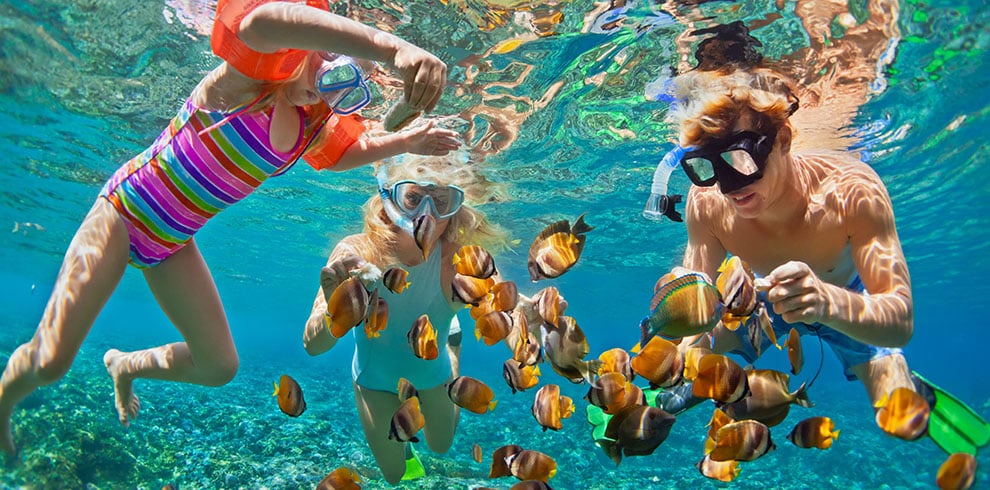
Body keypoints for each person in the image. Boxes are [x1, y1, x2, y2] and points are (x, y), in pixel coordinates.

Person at [0, 0, 463, 456]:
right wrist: (392, 49)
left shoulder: (309, 124)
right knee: (51, 361)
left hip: (172, 243)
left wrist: (408, 140)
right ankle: (2, 403)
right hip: (123, 213)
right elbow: (263, 21)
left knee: (219, 366)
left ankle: (124, 365)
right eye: (326, 64)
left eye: (342, 88)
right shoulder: (246, 82)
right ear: (311, 41)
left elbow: (343, 155)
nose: (324, 90)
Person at [656, 60, 987, 453]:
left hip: (846, 296)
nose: (728, 186)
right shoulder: (707, 203)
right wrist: (684, 351)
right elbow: (698, 308)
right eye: (705, 167)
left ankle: (909, 387)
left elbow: (900, 319)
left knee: (895, 413)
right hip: (758, 300)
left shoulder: (852, 190)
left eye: (741, 159)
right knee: (690, 357)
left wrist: (826, 302)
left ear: (782, 140)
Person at [302, 151, 510, 484]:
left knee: (440, 446)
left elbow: (502, 307)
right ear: (389, 197)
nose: (425, 214)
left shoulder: (458, 258)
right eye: (412, 198)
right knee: (395, 475)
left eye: (441, 201)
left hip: (434, 371)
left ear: (455, 210)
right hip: (374, 380)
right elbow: (312, 346)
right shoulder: (356, 252)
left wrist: (528, 317)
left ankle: (452, 351)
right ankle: (446, 340)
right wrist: (334, 309)